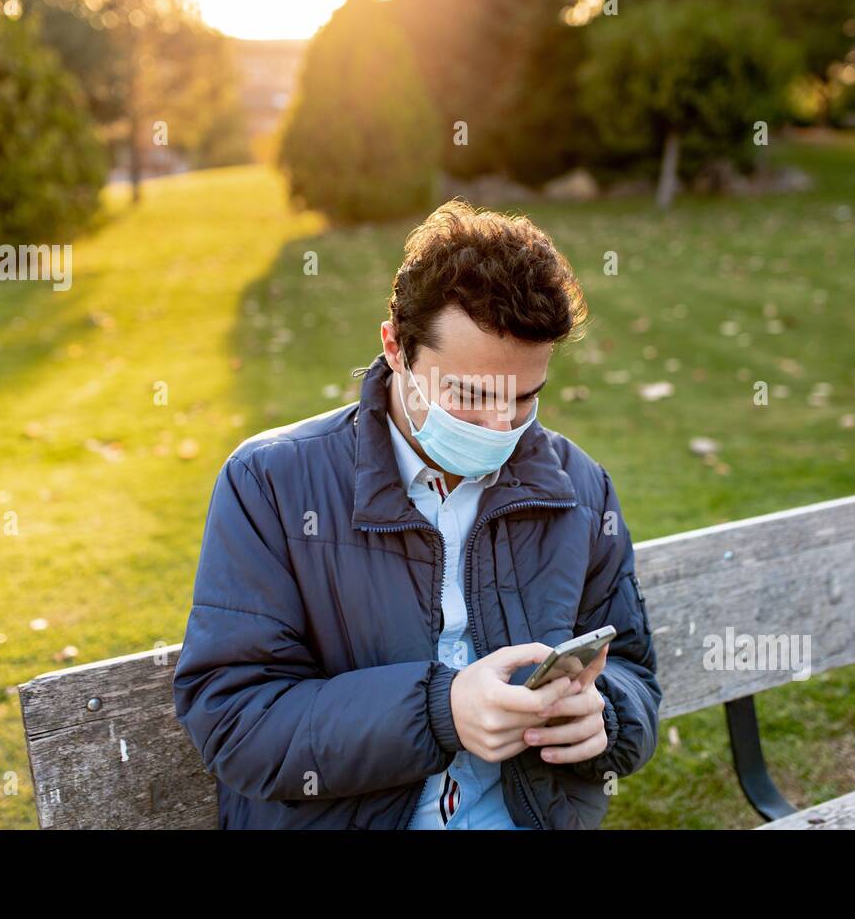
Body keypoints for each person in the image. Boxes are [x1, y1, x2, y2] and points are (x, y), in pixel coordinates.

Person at [173, 200, 662, 829]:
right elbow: (237, 722)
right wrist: (442, 711)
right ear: (396, 349)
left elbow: (635, 675)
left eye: (524, 398)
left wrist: (607, 713)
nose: (499, 427)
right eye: (469, 395)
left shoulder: (580, 487)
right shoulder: (270, 483)